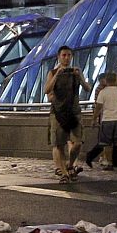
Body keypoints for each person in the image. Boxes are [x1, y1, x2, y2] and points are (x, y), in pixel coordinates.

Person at [45, 46, 88, 182]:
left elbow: (87, 88)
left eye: (69, 55)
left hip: (74, 111)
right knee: (59, 144)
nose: (66, 58)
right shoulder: (52, 72)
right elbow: (47, 90)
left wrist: (79, 76)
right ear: (59, 57)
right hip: (58, 112)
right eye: (64, 55)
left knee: (78, 142)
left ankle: (70, 165)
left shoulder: (76, 72)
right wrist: (57, 74)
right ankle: (64, 173)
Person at [85, 73, 117, 171]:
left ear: (107, 81)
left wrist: (94, 119)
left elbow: (98, 107)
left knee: (107, 143)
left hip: (107, 119)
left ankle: (109, 164)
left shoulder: (103, 92)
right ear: (116, 80)